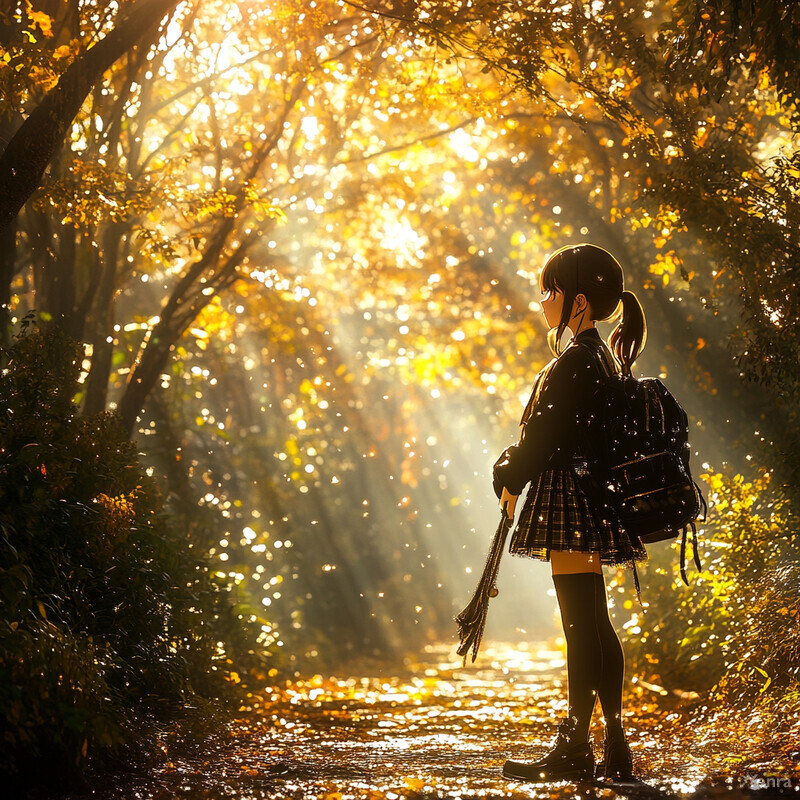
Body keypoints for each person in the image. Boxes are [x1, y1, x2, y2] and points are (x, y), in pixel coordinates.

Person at [493, 243, 648, 784]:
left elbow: (542, 438)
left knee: (581, 626)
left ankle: (579, 744)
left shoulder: (577, 360)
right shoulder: (598, 356)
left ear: (577, 302)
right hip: (593, 499)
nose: (542, 301)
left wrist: (508, 473)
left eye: (549, 291)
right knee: (594, 623)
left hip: (571, 502)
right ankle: (613, 743)